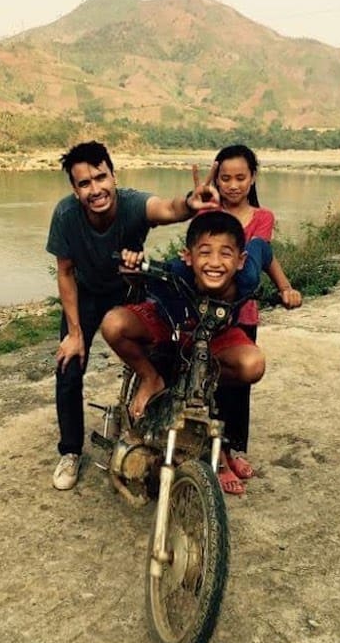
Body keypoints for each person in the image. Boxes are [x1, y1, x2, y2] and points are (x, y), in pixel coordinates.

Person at [46, 140, 216, 491]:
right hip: (86, 293)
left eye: (100, 177)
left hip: (130, 288)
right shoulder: (65, 216)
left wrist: (190, 202)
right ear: (74, 190)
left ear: (113, 175)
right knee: (68, 365)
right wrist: (75, 332)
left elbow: (167, 208)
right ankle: (71, 452)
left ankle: (147, 425)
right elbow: (65, 272)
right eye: (85, 183)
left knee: (161, 350)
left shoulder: (133, 204)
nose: (95, 189)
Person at [100, 212, 270, 495]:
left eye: (225, 254)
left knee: (253, 365)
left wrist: (286, 287)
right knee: (114, 324)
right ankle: (150, 377)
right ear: (187, 256)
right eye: (204, 253)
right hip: (172, 326)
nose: (215, 263)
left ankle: (202, 390)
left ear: (240, 260)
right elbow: (138, 279)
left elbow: (263, 247)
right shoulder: (175, 272)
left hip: (215, 334)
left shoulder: (249, 274)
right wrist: (132, 268)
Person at [210, 144, 302, 491]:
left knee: (239, 383)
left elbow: (263, 257)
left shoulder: (263, 218)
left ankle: (235, 449)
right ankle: (216, 456)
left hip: (243, 313)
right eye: (225, 178)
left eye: (240, 178)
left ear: (252, 178)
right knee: (210, 381)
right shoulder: (208, 210)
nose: (232, 185)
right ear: (216, 178)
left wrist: (285, 288)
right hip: (209, 311)